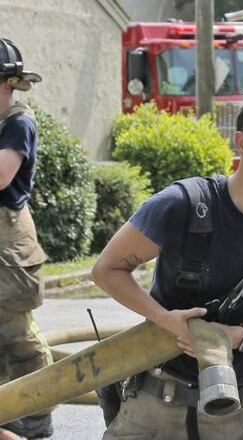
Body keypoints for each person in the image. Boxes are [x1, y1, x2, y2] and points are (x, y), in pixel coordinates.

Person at [92, 89, 243, 440]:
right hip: (157, 404)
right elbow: (106, 270)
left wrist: (239, 337)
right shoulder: (182, 205)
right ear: (242, 143)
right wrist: (166, 320)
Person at [0, 38, 54, 440]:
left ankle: (35, 413)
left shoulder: (19, 122)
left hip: (8, 240)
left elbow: (1, 176)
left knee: (15, 330)